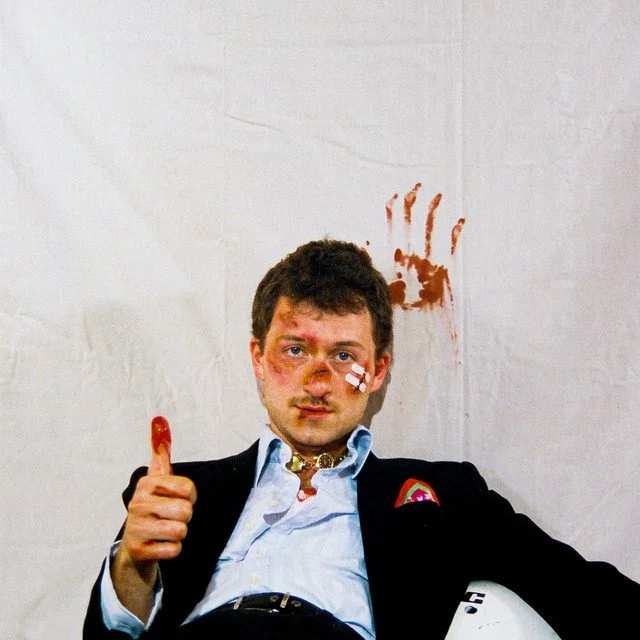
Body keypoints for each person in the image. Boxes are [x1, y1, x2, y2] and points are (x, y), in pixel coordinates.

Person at [84, 239, 639, 639]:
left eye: (344, 355)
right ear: (257, 358)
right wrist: (132, 565)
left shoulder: (448, 497)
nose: (318, 380)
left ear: (377, 372)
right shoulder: (178, 493)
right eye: (295, 350)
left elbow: (580, 592)